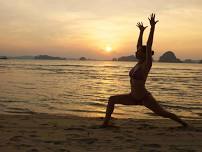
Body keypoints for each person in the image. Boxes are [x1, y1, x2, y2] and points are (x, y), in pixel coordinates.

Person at [102, 13, 188, 127]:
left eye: (138, 52)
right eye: (136, 51)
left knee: (163, 113)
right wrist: (141, 31)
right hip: (132, 97)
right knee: (112, 99)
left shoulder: (147, 64)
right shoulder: (138, 63)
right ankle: (105, 124)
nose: (136, 52)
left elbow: (148, 45)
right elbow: (139, 45)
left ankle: (184, 124)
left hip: (144, 98)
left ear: (144, 54)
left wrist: (152, 27)